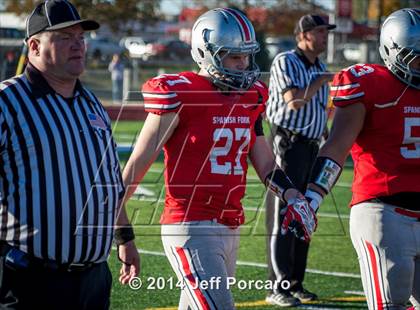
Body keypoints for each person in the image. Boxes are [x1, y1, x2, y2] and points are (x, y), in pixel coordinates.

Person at [122, 8, 316, 309]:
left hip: (230, 223)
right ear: (206, 53)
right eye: (234, 57)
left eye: (247, 56)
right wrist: (121, 232)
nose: (244, 65)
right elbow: (138, 162)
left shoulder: (251, 96)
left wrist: (292, 195)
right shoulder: (181, 93)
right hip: (189, 224)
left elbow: (264, 162)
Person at [0, 1, 139, 309]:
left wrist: (125, 238)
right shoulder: (7, 102)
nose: (77, 45)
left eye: (80, 37)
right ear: (34, 46)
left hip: (93, 280)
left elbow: (108, 179)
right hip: (29, 279)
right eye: (64, 37)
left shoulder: (92, 104)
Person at [305, 8, 420, 310]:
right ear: (393, 50)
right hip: (384, 213)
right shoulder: (369, 83)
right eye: (416, 56)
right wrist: (313, 198)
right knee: (389, 304)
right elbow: (337, 146)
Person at [264, 14, 335, 307]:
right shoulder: (286, 61)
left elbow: (318, 111)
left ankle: (296, 283)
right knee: (284, 215)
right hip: (287, 142)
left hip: (311, 146)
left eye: (325, 32)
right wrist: (321, 81)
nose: (324, 37)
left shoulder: (319, 66)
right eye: (319, 32)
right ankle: (276, 286)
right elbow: (294, 101)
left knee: (305, 214)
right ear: (303, 35)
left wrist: (327, 137)